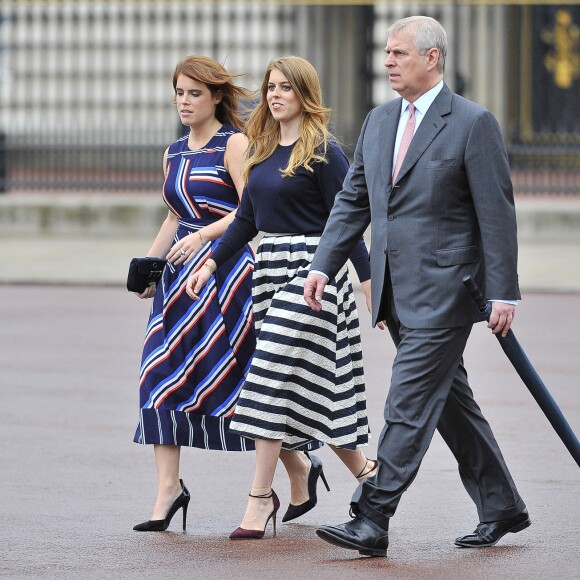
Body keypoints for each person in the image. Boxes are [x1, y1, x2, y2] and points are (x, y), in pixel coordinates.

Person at [304, 16, 530, 557]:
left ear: (432, 58)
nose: (388, 62)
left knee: (406, 401)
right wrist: (322, 264)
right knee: (448, 401)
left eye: (399, 53)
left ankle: (372, 515)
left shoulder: (473, 123)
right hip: (394, 290)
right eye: (386, 53)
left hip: (450, 291)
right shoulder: (379, 122)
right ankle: (500, 505)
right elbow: (353, 201)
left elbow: (497, 214)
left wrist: (505, 291)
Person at [186, 55, 379, 539]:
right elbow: (247, 223)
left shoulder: (325, 153)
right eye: (270, 87)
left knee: (266, 376)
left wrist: (371, 284)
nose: (274, 95)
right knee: (302, 391)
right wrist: (209, 264)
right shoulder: (260, 150)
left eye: (285, 88)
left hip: (316, 274)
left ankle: (258, 498)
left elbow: (348, 221)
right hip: (270, 271)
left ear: (304, 94)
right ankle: (369, 476)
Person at [131, 55, 257, 532]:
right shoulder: (174, 151)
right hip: (176, 282)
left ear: (217, 98)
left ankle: (298, 465)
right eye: (179, 92)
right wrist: (147, 267)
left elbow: (252, 213)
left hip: (225, 274)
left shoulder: (235, 144)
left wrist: (203, 238)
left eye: (194, 94)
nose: (184, 102)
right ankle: (169, 489)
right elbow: (171, 217)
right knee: (159, 373)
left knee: (242, 378)